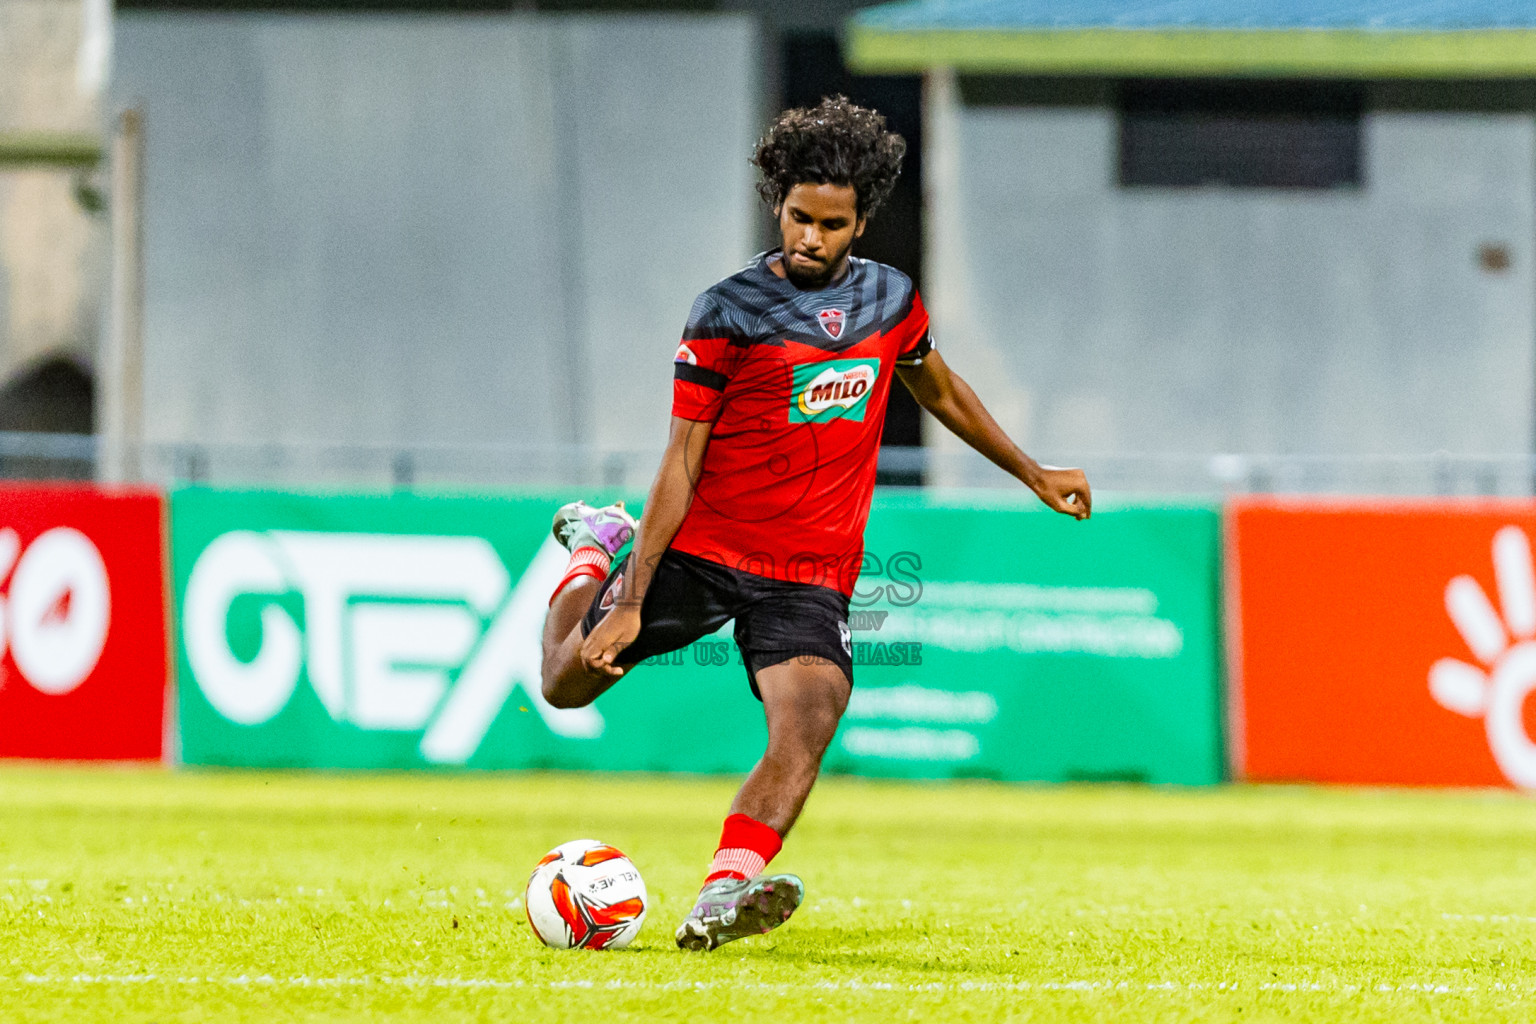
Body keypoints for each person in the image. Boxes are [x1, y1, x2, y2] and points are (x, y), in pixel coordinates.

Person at [539, 96, 1090, 952]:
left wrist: (1031, 472)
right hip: (699, 549)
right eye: (799, 217)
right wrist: (630, 595)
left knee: (812, 718)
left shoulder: (891, 302)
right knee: (566, 682)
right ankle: (593, 551)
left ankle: (723, 893)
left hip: (808, 571)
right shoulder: (727, 312)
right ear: (777, 206)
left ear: (861, 221)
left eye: (833, 224)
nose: (811, 238)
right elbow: (681, 460)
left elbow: (937, 387)